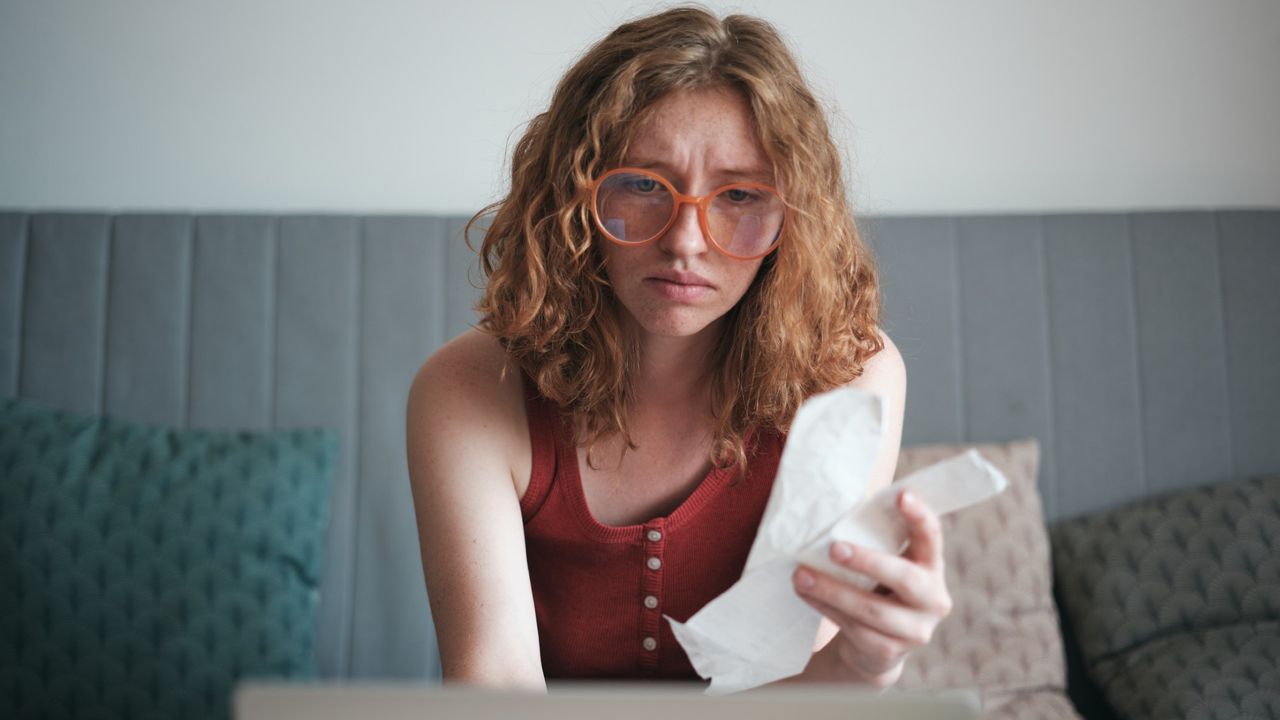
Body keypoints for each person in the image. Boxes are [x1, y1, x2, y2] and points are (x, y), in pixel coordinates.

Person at [406, 5, 951, 690]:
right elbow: (497, 685)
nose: (686, 242)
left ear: (794, 220)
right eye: (641, 184)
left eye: (741, 194)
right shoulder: (470, 389)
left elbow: (798, 685)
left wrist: (867, 661)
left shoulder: (850, 375)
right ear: (573, 199)